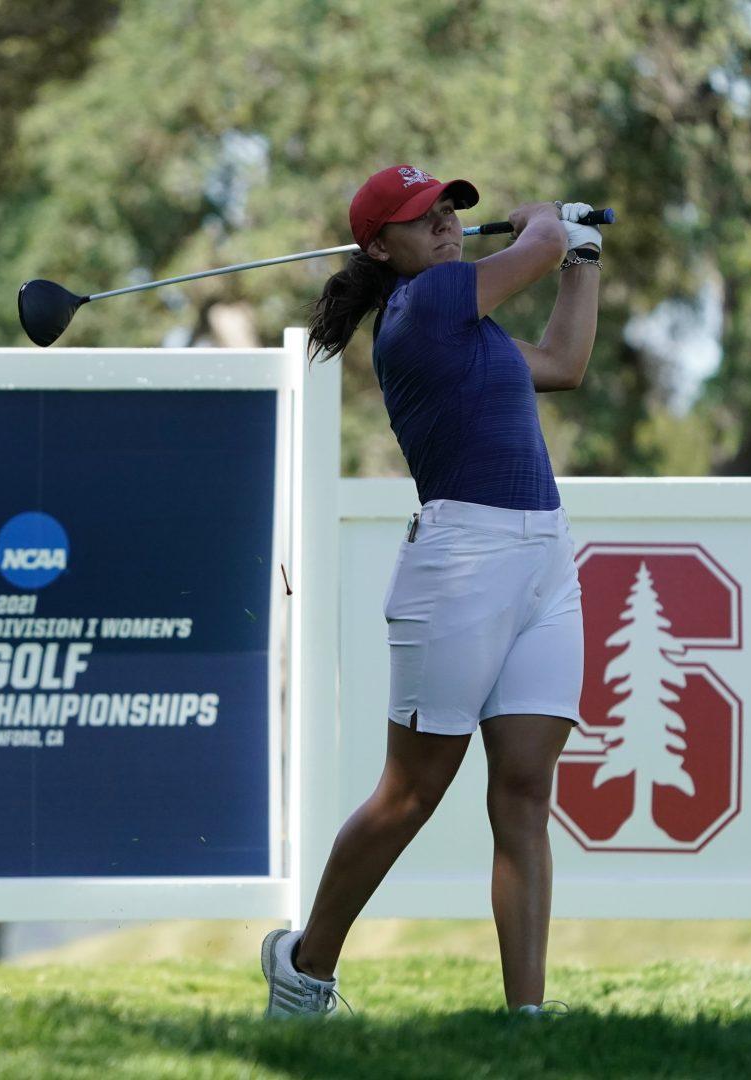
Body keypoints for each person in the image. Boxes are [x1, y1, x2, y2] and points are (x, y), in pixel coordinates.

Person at [262, 164, 602, 1019]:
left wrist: (582, 257)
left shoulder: (469, 325)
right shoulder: (421, 311)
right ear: (381, 246)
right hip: (460, 565)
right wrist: (547, 226)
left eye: (450, 209)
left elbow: (563, 362)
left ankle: (528, 1021)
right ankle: (304, 970)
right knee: (411, 793)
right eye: (423, 218)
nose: (448, 223)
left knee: (525, 789)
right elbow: (542, 239)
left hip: (544, 561)